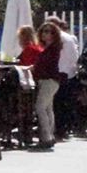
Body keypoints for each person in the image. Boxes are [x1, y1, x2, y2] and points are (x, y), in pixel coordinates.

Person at [32, 22, 64, 150]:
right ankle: (50, 135)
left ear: (54, 34)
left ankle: (46, 137)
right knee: (48, 108)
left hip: (49, 80)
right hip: (49, 80)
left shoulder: (53, 49)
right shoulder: (48, 48)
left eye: (48, 31)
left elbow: (47, 65)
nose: (44, 34)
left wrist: (36, 69)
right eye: (43, 31)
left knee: (40, 107)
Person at [48, 16, 81, 139]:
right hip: (68, 74)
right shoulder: (69, 38)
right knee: (64, 102)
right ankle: (64, 129)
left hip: (55, 73)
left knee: (56, 103)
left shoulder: (54, 38)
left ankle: (58, 129)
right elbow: (75, 57)